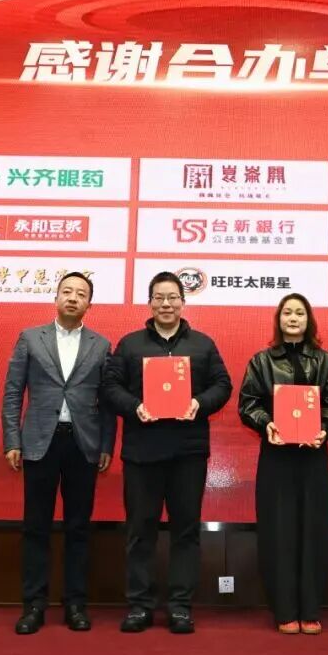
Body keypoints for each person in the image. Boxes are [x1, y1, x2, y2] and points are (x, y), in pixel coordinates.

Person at [101, 271, 232, 634]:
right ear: (149, 303)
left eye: (173, 297)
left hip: (188, 453)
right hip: (142, 453)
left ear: (183, 302)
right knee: (140, 530)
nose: (166, 304)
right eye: (159, 297)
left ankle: (180, 607)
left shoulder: (203, 344)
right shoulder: (130, 345)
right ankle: (140, 606)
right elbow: (110, 387)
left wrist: (199, 403)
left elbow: (223, 384)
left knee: (185, 531)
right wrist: (135, 407)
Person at [1, 272, 116, 634]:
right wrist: (12, 440)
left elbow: (108, 401)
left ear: (89, 304)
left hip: (83, 443)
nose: (72, 298)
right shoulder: (30, 338)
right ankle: (33, 605)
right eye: (66, 291)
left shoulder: (101, 344)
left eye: (81, 294)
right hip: (39, 442)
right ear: (56, 298)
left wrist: (107, 445)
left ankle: (75, 605)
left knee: (78, 528)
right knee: (36, 526)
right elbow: (13, 392)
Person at [237, 293, 328, 635]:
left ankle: (310, 608)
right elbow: (248, 403)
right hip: (277, 455)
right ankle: (284, 608)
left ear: (308, 320)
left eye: (300, 312)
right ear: (279, 320)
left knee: (314, 529)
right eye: (288, 312)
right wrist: (266, 423)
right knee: (279, 530)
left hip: (313, 454)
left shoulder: (324, 360)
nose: (294, 318)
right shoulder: (261, 361)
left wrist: (325, 429)